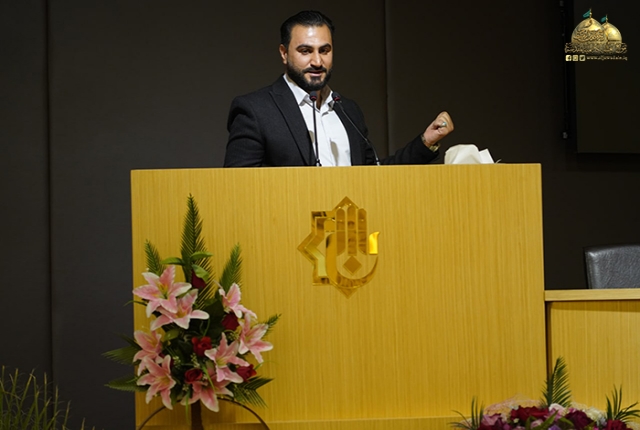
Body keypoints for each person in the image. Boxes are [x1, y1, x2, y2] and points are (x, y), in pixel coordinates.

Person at [224, 10, 454, 167]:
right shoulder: (255, 110)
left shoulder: (347, 110)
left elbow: (374, 175)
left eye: (324, 50)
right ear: (284, 53)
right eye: (305, 51)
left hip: (349, 224)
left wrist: (426, 142)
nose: (317, 61)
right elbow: (239, 186)